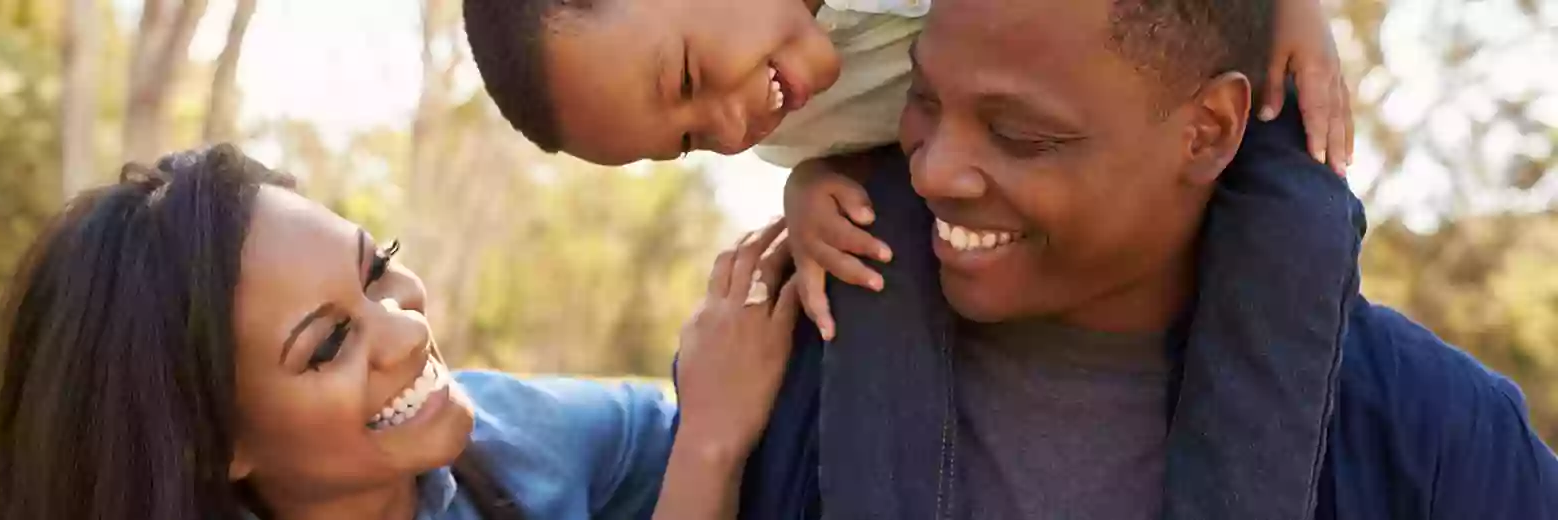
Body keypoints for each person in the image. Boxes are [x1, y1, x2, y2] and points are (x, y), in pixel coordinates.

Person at [736, 0, 1558, 518]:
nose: (934, 170)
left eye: (1022, 135)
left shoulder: (1437, 441)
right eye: (922, 100)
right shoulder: (783, 377)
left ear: (1209, 129)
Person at [0, 145, 805, 519]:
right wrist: (710, 453)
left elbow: (695, 423)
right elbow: (706, 438)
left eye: (377, 268)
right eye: (328, 345)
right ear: (215, 444)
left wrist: (822, 188)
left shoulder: (505, 436)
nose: (408, 332)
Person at [460, 0, 1354, 173]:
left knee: (1296, 212)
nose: (732, 126)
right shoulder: (792, 133)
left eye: (689, 78)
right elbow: (886, 149)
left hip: (1209, 82)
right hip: (1079, 188)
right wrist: (818, 189)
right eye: (688, 141)